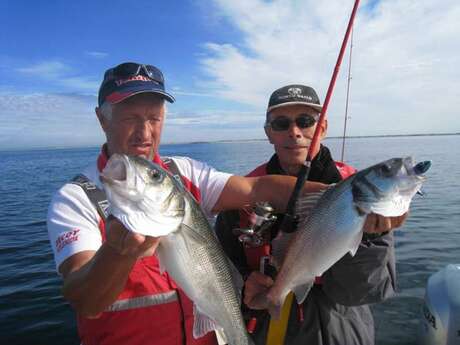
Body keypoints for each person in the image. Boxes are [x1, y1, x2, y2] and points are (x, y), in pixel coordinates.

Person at [47, 64, 404, 345]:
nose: (144, 132)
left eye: (154, 118)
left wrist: (356, 197)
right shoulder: (76, 198)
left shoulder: (184, 172)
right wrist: (118, 253)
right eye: (129, 117)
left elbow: (257, 187)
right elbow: (84, 300)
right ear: (101, 118)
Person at [215, 84, 405, 345]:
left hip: (343, 332)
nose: (294, 132)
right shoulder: (243, 193)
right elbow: (221, 274)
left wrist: (372, 239)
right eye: (281, 124)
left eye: (305, 121)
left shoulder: (359, 188)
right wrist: (245, 286)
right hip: (265, 332)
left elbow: (369, 291)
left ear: (322, 128)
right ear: (268, 133)